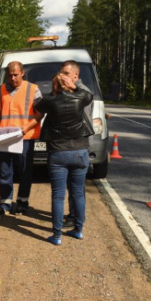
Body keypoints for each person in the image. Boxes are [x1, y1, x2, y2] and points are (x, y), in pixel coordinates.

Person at [34, 60, 93, 245]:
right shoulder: (80, 98)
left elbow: (38, 107)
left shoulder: (49, 101)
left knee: (58, 195)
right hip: (80, 151)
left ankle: (57, 235)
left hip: (58, 152)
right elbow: (88, 96)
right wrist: (73, 87)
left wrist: (54, 90)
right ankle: (78, 230)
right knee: (77, 193)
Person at [0, 61, 42, 216]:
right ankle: (5, 204)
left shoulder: (33, 89)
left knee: (24, 171)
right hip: (6, 136)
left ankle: (22, 203)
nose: (13, 78)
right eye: (10, 75)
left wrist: (26, 127)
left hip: (25, 136)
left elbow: (40, 113)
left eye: (16, 75)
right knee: (5, 171)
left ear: (22, 73)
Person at [57, 61, 93, 228]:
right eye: (61, 72)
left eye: (65, 72)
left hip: (79, 144)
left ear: (75, 75)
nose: (62, 75)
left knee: (76, 187)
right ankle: (75, 214)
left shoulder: (82, 91)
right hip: (73, 144)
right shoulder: (73, 91)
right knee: (73, 185)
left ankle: (77, 217)